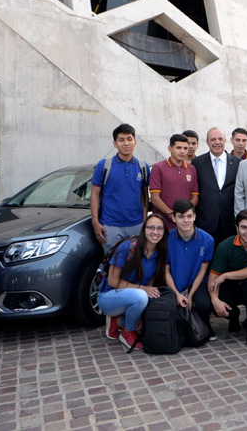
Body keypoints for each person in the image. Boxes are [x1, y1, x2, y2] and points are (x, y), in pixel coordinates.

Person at [99, 214, 169, 350]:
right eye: (151, 227)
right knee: (141, 296)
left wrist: (140, 314)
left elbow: (150, 285)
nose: (155, 232)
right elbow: (113, 281)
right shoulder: (128, 247)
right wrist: (142, 289)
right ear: (144, 229)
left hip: (133, 295)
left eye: (160, 228)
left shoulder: (160, 253)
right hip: (109, 297)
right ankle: (127, 331)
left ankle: (118, 321)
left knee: (147, 296)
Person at [207, 210, 247, 347]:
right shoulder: (225, 246)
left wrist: (225, 275)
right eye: (244, 227)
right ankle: (233, 315)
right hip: (231, 288)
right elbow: (213, 278)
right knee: (214, 304)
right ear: (237, 228)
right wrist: (215, 300)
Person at [91, 123, 150, 253]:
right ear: (115, 143)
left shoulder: (142, 166)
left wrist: (145, 221)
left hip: (136, 225)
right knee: (112, 265)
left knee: (134, 265)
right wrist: (95, 222)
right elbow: (94, 194)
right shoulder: (104, 165)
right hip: (110, 226)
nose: (126, 143)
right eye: (121, 140)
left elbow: (144, 196)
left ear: (135, 142)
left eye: (129, 139)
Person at [165, 199, 216, 338]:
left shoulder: (207, 240)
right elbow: (166, 271)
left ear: (194, 216)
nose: (185, 220)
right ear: (174, 218)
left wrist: (191, 295)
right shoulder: (167, 239)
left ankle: (205, 325)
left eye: (189, 216)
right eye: (180, 217)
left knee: (203, 304)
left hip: (196, 283)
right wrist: (176, 293)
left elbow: (202, 270)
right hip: (174, 284)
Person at [191, 128, 241, 247]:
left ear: (225, 141)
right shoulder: (197, 163)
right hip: (205, 221)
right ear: (207, 142)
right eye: (213, 139)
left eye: (220, 139)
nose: (217, 142)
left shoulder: (238, 162)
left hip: (229, 222)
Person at [149, 134, 198, 231]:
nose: (182, 151)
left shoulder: (192, 169)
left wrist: (184, 215)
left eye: (185, 148)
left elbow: (195, 197)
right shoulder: (158, 167)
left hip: (185, 223)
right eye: (178, 148)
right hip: (163, 223)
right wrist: (171, 214)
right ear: (170, 148)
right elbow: (155, 198)